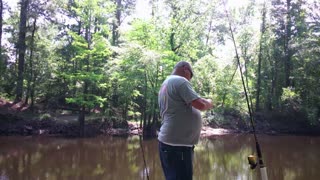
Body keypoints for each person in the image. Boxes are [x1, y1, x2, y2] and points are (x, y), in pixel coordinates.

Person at [158, 61, 213, 180]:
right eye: (190, 76)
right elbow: (201, 105)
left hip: (171, 143)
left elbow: (191, 100)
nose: (190, 80)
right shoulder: (180, 81)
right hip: (178, 146)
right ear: (185, 69)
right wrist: (209, 103)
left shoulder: (167, 83)